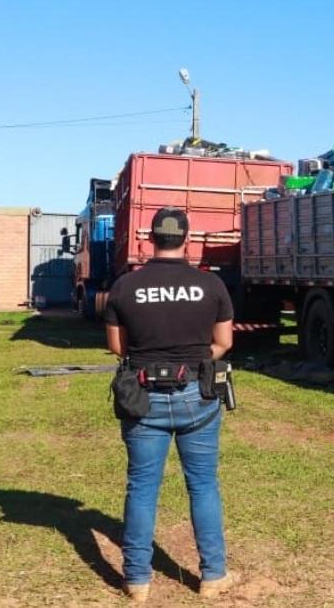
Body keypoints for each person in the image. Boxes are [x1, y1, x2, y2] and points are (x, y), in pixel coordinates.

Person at [103, 206, 236, 602]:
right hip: (197, 395)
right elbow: (224, 343)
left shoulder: (125, 287)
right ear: (188, 239)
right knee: (203, 485)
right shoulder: (210, 286)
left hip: (142, 397)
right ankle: (213, 576)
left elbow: (116, 347)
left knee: (142, 488)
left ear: (149, 240)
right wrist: (192, 365)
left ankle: (137, 581)